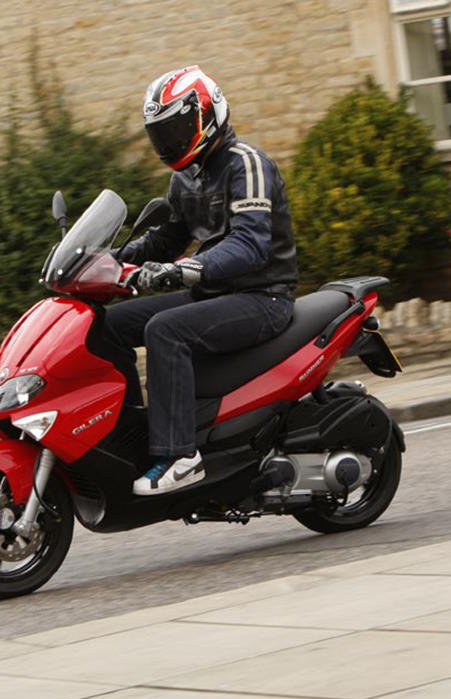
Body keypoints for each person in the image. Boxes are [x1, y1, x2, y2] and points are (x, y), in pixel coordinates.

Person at [105, 65, 298, 496]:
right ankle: (129, 435)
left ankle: (179, 454)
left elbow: (250, 244)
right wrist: (111, 259)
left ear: (205, 115)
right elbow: (168, 237)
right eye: (161, 133)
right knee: (109, 326)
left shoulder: (246, 164)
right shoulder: (185, 177)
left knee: (165, 331)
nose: (168, 142)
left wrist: (182, 269)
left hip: (262, 296)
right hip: (214, 293)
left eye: (175, 129)